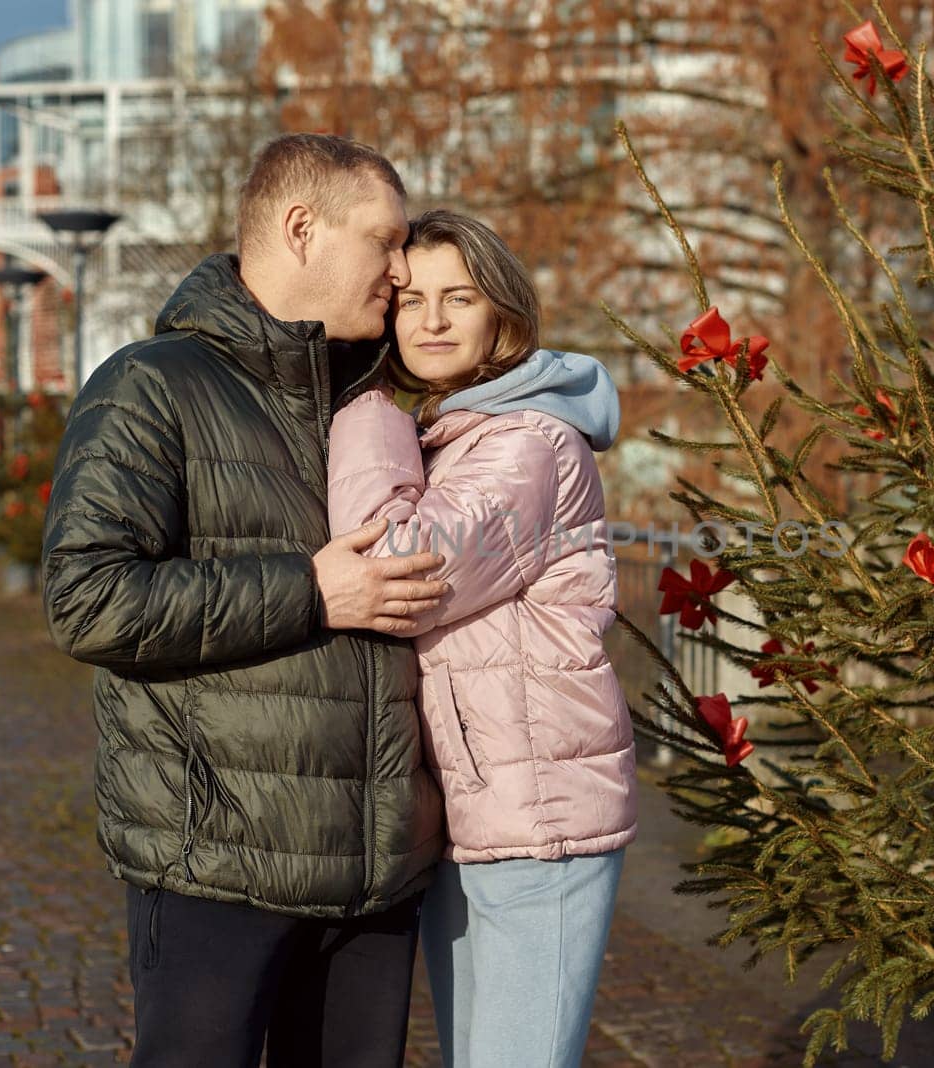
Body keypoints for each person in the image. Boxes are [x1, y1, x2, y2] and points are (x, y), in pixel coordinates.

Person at [41, 134, 451, 1068]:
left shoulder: (378, 399)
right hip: (214, 869)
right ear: (301, 228)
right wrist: (312, 590)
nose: (402, 268)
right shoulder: (150, 386)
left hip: (372, 872)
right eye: (384, 241)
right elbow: (86, 598)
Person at [327, 210, 636, 1068]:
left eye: (457, 298)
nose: (429, 321)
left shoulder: (527, 445)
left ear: (502, 312)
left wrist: (364, 415)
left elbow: (398, 573)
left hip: (540, 820)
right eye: (411, 299)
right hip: (478, 814)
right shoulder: (459, 437)